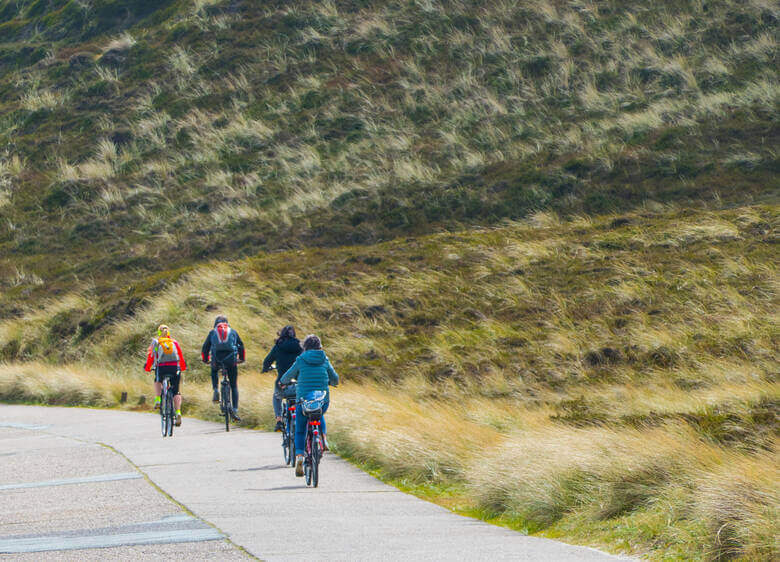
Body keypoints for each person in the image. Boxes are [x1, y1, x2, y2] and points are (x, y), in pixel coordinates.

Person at [279, 334, 339, 477]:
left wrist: (283, 382)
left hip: (303, 401)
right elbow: (335, 379)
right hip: (322, 400)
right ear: (320, 346)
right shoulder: (325, 359)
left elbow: (287, 376)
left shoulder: (301, 360)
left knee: (300, 430)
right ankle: (323, 438)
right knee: (319, 413)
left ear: (305, 346)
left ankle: (299, 457)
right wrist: (332, 383)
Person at [201, 315, 246, 421]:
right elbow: (241, 345)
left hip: (217, 359)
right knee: (234, 385)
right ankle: (235, 409)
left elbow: (205, 347)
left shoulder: (212, 332)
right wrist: (241, 358)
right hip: (231, 360)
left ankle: (216, 389)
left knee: (214, 370)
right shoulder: (233, 331)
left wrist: (205, 359)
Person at [144, 324, 187, 426]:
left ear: (159, 333)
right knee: (176, 391)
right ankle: (178, 413)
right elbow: (180, 356)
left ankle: (158, 399)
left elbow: (151, 356)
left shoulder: (156, 342)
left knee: (157, 380)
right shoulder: (174, 342)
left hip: (162, 367)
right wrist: (182, 367)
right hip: (174, 368)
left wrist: (147, 368)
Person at [262, 325, 303, 432]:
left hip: (283, 384)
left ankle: (279, 420)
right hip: (299, 383)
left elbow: (267, 361)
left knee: (277, 397)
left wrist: (265, 368)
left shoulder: (278, 346)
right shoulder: (300, 346)